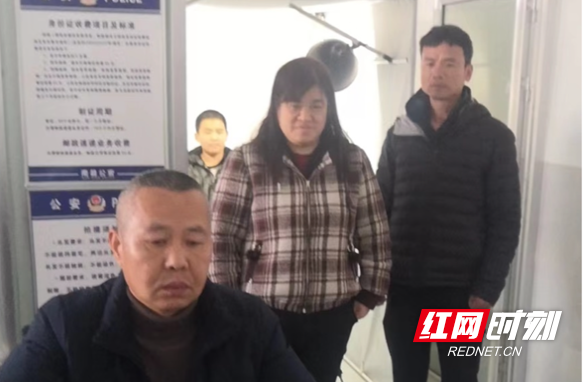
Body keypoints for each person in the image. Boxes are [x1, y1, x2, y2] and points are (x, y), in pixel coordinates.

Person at [0, 170, 315, 382]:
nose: (177, 261)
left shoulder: (251, 322)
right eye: (156, 242)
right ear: (117, 246)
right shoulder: (65, 326)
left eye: (194, 242)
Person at [209, 57, 391, 382]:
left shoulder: (352, 161)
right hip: (264, 310)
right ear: (277, 107)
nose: (305, 116)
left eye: (316, 105)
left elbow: (374, 231)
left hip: (332, 311)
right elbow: (221, 238)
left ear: (329, 109)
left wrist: (369, 293)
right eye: (294, 105)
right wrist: (229, 303)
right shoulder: (248, 160)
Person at [377, 25, 521, 382]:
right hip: (404, 287)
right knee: (406, 376)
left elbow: (505, 220)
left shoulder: (494, 137)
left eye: (449, 63)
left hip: (462, 292)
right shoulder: (400, 134)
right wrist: (377, 275)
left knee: (460, 376)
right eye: (429, 62)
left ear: (468, 71)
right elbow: (379, 208)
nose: (437, 72)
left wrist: (486, 290)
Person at [188, 110, 231, 201]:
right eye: (208, 132)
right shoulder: (186, 165)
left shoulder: (238, 165)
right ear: (197, 136)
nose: (214, 137)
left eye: (219, 132)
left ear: (226, 135)